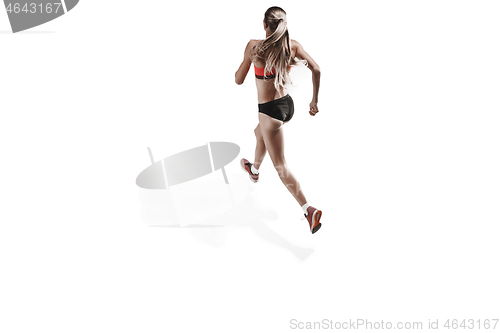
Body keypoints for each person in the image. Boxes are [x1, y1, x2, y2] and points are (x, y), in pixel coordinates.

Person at [235, 6, 323, 234]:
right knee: (259, 134)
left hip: (269, 111)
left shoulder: (254, 47)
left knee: (280, 165)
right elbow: (316, 69)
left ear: (265, 24)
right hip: (287, 106)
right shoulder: (292, 46)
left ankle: (308, 209)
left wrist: (249, 61)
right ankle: (253, 170)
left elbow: (238, 79)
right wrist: (314, 102)